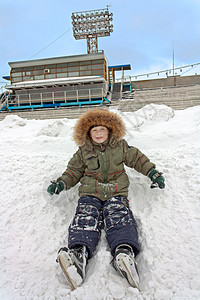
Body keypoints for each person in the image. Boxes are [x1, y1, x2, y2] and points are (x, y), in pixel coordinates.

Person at [47, 109, 165, 290]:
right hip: (90, 193)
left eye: (102, 130)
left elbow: (137, 159)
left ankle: (124, 251)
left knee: (119, 216)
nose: (99, 134)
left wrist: (152, 172)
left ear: (110, 130)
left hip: (116, 191)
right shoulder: (83, 151)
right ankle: (79, 253)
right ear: (88, 133)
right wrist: (62, 183)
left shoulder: (120, 146)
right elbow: (73, 171)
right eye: (95, 131)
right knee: (85, 216)